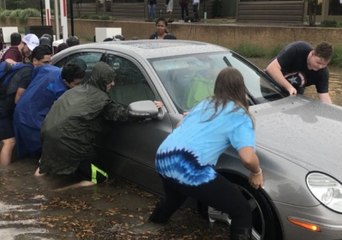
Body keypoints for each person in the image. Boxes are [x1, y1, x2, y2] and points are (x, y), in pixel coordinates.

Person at [148, 67, 263, 240]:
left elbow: (180, 126)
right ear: (242, 88)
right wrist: (257, 172)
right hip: (190, 167)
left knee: (174, 198)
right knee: (241, 210)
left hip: (164, 157)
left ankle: (152, 226)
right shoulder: (240, 115)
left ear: (217, 86)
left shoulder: (205, 103)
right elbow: (247, 158)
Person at [34, 62, 132, 188]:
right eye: (110, 81)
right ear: (102, 81)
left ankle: (34, 184)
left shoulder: (78, 89)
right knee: (100, 178)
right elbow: (120, 114)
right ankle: (58, 192)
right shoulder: (102, 99)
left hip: (48, 135)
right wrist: (145, 111)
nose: (113, 84)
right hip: (69, 141)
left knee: (45, 168)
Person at [13, 49, 85, 158]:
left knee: (24, 152)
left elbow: (36, 71)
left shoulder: (50, 69)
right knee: (44, 154)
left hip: (20, 109)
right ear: (66, 82)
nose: (79, 87)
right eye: (76, 84)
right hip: (30, 119)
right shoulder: (62, 91)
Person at [265, 41, 333, 104]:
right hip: (269, 85)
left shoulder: (323, 73)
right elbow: (271, 68)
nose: (320, 67)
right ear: (312, 53)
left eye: (324, 64)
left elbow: (324, 96)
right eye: (318, 62)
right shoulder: (297, 50)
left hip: (294, 94)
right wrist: (289, 87)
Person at [0, 62, 33, 166]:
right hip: (2, 110)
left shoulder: (19, 68)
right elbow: (18, 99)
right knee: (9, 142)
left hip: (2, 106)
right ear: (35, 60)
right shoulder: (28, 72)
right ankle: (5, 174)